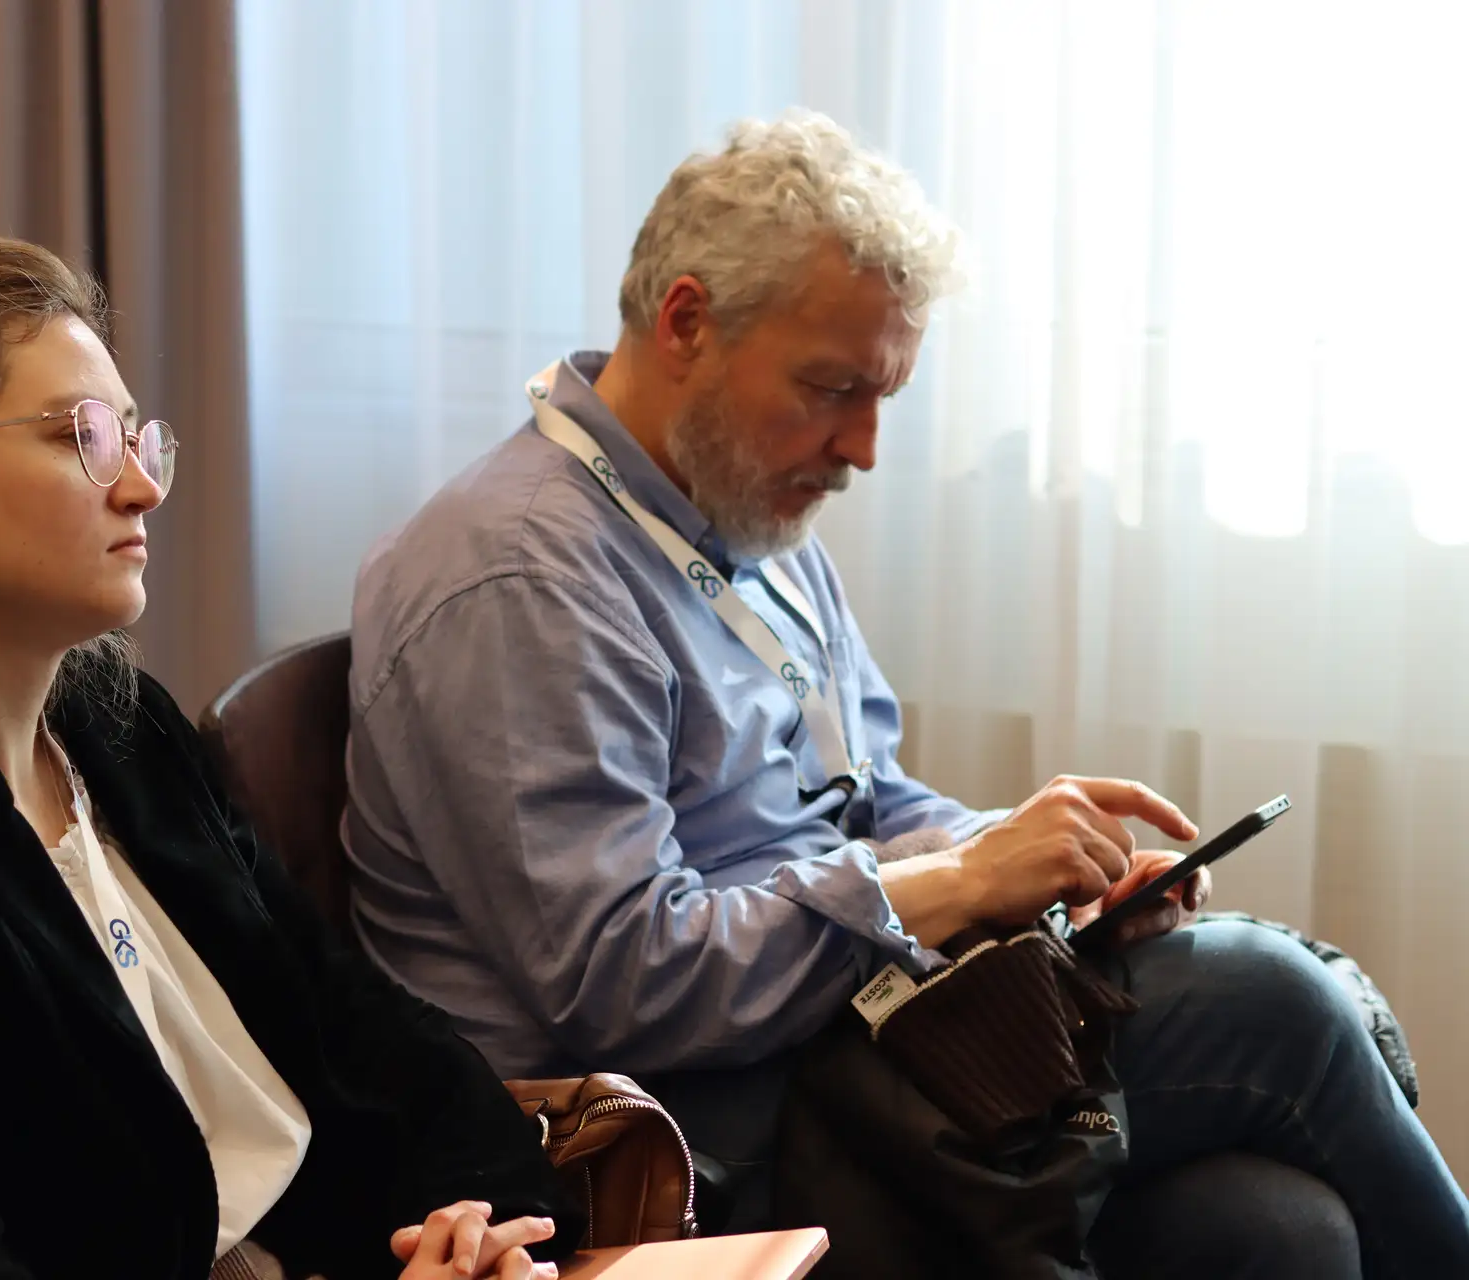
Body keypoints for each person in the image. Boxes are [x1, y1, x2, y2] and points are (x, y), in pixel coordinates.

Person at [342, 113, 1469, 1275]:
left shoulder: (739, 514)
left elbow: (864, 797)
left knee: (1276, 1229)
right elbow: (623, 979)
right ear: (685, 322)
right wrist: (959, 883)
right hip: (694, 1132)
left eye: (883, 395)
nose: (864, 447)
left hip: (842, 1040)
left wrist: (1034, 863)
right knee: (1278, 1007)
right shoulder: (521, 578)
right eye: (832, 387)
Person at [0, 234, 579, 1280]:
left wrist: (481, 1222)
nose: (142, 487)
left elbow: (354, 1024)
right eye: (81, 436)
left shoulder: (121, 730)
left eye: (135, 436)